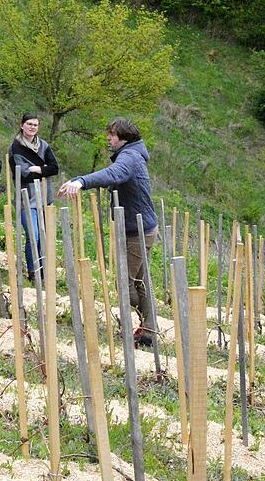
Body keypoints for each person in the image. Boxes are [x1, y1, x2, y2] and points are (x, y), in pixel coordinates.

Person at [59, 117, 157, 348]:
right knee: (140, 282)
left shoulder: (129, 157)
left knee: (128, 285)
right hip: (139, 228)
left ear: (124, 137)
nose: (108, 139)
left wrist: (82, 182)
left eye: (112, 135)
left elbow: (113, 174)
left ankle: (136, 325)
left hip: (137, 231)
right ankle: (149, 332)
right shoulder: (132, 154)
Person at [9, 113, 59, 279]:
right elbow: (22, 173)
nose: (32, 127)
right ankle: (33, 271)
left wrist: (36, 169)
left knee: (44, 237)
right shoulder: (15, 148)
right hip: (26, 199)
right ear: (22, 125)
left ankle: (44, 269)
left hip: (45, 197)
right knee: (34, 235)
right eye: (29, 124)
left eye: (35, 125)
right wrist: (42, 169)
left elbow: (54, 168)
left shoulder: (44, 145)